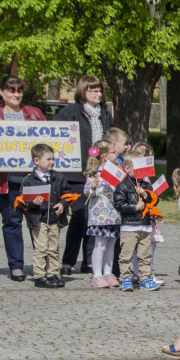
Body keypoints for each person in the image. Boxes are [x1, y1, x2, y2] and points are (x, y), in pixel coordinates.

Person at [56, 75, 114, 276]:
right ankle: (68, 260)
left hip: (100, 173)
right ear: (83, 91)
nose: (98, 94)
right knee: (80, 216)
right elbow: (57, 135)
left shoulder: (105, 114)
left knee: (95, 217)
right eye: (93, 90)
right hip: (77, 173)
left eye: (100, 90)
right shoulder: (71, 112)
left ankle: (90, 260)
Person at [0, 75, 46, 281]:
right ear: (1, 92)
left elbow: (48, 141)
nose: (16, 94)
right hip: (7, 181)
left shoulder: (35, 113)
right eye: (11, 90)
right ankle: (16, 266)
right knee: (12, 222)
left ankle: (42, 265)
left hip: (33, 180)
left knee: (39, 222)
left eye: (19, 90)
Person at [21, 143, 69, 288]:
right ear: (36, 161)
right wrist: (33, 203)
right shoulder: (29, 180)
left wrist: (62, 203)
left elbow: (67, 194)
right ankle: (40, 275)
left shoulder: (58, 177)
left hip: (55, 219)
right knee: (41, 248)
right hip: (39, 220)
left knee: (53, 248)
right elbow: (23, 201)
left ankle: (53, 273)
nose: (52, 162)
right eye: (48, 159)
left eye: (53, 159)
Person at [112, 153, 160, 292]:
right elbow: (119, 204)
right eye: (137, 167)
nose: (140, 171)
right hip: (129, 226)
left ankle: (144, 278)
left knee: (145, 255)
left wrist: (144, 194)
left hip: (144, 226)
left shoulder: (145, 184)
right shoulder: (122, 186)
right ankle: (125, 278)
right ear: (127, 168)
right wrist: (134, 207)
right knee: (126, 254)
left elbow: (154, 200)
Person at [83, 139, 121, 288]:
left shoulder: (116, 172)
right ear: (105, 156)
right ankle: (97, 275)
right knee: (100, 245)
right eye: (113, 152)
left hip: (114, 214)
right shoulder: (94, 173)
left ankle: (108, 272)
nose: (117, 153)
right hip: (100, 215)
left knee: (111, 244)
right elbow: (87, 192)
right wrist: (92, 187)